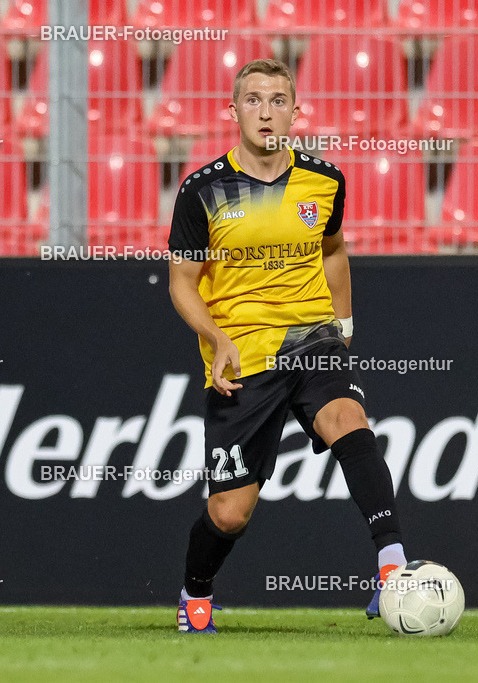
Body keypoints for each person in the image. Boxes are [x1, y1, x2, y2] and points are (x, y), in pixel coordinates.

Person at [167, 59, 406, 634]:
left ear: (296, 112)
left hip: (312, 337)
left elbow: (333, 251)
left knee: (349, 420)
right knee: (230, 512)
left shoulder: (325, 181)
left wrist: (343, 329)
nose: (266, 110)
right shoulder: (203, 191)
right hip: (243, 355)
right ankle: (195, 591)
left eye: (278, 100)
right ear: (234, 111)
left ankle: (392, 569)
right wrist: (216, 337)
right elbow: (181, 280)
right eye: (253, 100)